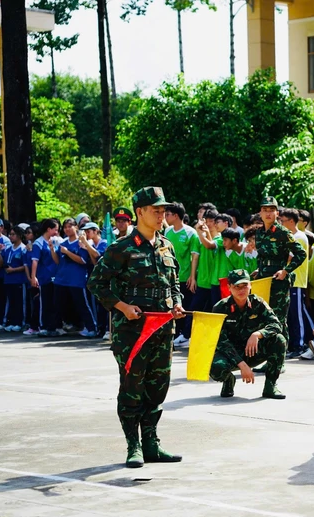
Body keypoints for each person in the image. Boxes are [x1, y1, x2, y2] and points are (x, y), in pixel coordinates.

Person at [87, 186, 186, 468]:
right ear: (140, 212)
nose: (161, 215)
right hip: (133, 331)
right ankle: (134, 445)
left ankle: (152, 443)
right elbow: (96, 283)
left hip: (163, 329)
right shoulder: (121, 248)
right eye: (155, 210)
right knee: (132, 387)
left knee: (158, 387)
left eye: (163, 210)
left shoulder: (167, 245)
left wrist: (177, 303)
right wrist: (122, 306)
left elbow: (174, 283)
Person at [209, 269, 287, 399]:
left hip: (254, 350)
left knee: (279, 340)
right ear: (229, 287)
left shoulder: (258, 303)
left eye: (245, 285)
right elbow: (220, 341)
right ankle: (228, 380)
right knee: (215, 368)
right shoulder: (220, 308)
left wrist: (258, 334)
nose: (241, 290)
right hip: (232, 353)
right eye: (236, 286)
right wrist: (241, 364)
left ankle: (270, 386)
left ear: (250, 285)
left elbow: (276, 325)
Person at [253, 197, 307, 357]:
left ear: (277, 213)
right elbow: (262, 256)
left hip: (279, 282)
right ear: (260, 212)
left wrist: (286, 271)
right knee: (264, 319)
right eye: (265, 210)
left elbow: (300, 253)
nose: (268, 213)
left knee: (278, 320)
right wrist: (259, 269)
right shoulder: (259, 232)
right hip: (263, 280)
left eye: (271, 210)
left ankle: (279, 359)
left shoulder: (283, 232)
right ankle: (267, 357)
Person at [50, 217, 98, 338]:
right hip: (61, 278)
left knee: (82, 304)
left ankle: (91, 328)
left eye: (69, 226)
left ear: (76, 227)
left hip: (76, 279)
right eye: (65, 227)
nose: (67, 229)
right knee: (58, 304)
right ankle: (57, 327)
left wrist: (68, 253)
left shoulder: (81, 242)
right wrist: (52, 249)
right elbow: (57, 261)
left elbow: (82, 260)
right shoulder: (63, 243)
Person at [165, 203, 200, 349]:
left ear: (176, 216)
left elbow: (195, 256)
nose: (165, 216)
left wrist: (193, 277)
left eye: (168, 214)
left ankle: (185, 336)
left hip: (185, 277)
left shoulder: (191, 232)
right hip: (170, 277)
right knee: (172, 307)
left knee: (184, 308)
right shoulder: (167, 231)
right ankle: (175, 334)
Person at [280, 208, 314, 358]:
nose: (281, 223)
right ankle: (297, 342)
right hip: (289, 280)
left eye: (283, 221)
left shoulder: (299, 237)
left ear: (291, 221)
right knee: (292, 314)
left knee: (297, 314)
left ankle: (300, 344)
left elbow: (289, 258)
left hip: (297, 280)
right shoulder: (291, 236)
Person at [29, 219, 60, 336]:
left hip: (56, 277)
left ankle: (53, 326)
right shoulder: (38, 243)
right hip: (44, 276)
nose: (57, 232)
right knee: (44, 302)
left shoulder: (56, 241)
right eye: (55, 229)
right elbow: (35, 262)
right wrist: (33, 277)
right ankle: (43, 326)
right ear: (49, 229)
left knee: (54, 302)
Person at [0, 225, 29, 332]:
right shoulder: (9, 248)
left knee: (20, 302)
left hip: (19, 279)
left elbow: (25, 265)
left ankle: (21, 322)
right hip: (8, 280)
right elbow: (2, 262)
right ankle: (13, 321)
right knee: (12, 301)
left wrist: (13, 270)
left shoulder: (23, 249)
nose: (11, 236)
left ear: (19, 235)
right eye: (10, 234)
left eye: (13, 234)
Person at [80, 222, 109, 338]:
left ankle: (105, 328)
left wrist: (86, 244)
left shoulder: (104, 243)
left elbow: (98, 256)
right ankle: (100, 328)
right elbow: (94, 261)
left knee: (103, 306)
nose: (86, 234)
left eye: (88, 231)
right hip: (95, 278)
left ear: (95, 231)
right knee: (96, 305)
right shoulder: (93, 245)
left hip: (104, 279)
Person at [192, 209, 219, 313]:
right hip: (202, 281)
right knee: (194, 311)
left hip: (215, 283)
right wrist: (193, 277)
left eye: (211, 221)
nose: (208, 224)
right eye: (206, 221)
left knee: (212, 312)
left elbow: (210, 245)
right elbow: (195, 258)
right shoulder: (199, 238)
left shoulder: (222, 239)